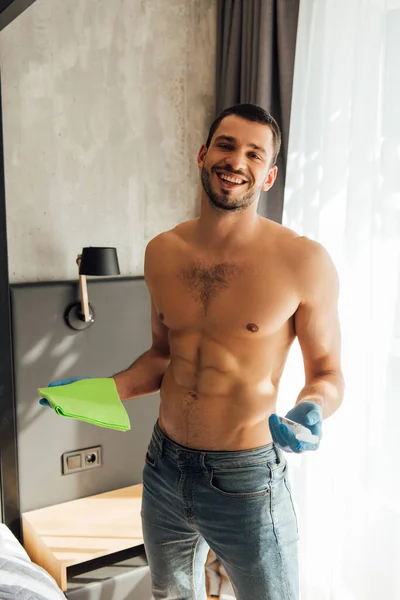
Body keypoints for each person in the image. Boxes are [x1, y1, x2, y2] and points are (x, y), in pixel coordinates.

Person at [53, 104, 344, 600]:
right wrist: (102, 391)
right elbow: (162, 357)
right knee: (170, 596)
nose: (236, 161)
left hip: (246, 479)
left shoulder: (303, 261)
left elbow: (328, 372)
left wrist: (312, 407)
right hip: (163, 466)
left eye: (255, 154)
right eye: (226, 145)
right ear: (202, 154)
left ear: (269, 175)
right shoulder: (162, 251)